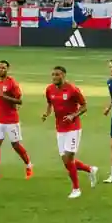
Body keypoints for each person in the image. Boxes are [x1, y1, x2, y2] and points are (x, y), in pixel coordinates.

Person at [40, 65, 97, 199]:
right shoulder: (49, 89)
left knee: (69, 157)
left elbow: (84, 107)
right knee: (66, 161)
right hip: (60, 128)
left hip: (73, 128)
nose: (55, 77)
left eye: (57, 74)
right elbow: (50, 103)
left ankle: (76, 189)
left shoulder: (72, 90)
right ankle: (90, 169)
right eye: (53, 74)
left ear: (63, 76)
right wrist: (46, 113)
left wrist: (73, 115)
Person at [0, 59, 32, 182]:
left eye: (3, 68)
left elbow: (19, 101)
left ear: (7, 69)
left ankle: (28, 165)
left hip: (11, 120)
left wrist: (4, 97)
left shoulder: (12, 83)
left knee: (15, 145)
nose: (1, 70)